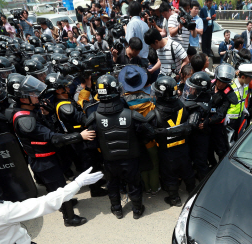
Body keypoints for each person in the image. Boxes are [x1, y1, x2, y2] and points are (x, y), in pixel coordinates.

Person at [7, 74, 92, 227]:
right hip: (44, 160)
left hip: (49, 156)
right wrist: (80, 136)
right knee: (59, 188)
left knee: (59, 186)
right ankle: (69, 218)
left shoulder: (30, 111)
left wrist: (45, 113)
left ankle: (64, 204)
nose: (36, 96)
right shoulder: (26, 120)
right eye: (32, 94)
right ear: (24, 98)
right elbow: (53, 137)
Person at [84, 75, 148, 219]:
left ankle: (117, 209)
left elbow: (90, 145)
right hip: (131, 159)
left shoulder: (93, 118)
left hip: (109, 160)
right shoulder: (132, 115)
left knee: (112, 185)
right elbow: (148, 134)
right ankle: (137, 210)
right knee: (134, 184)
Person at [145, 76, 196, 206]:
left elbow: (148, 134)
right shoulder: (183, 105)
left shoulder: (154, 114)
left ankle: (175, 199)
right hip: (184, 148)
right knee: (187, 170)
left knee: (170, 175)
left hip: (166, 152)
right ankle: (193, 191)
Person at [119, 65, 160, 195]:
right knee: (154, 164)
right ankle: (154, 188)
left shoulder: (123, 102)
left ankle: (145, 187)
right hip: (151, 139)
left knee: (139, 165)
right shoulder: (151, 98)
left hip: (134, 141)